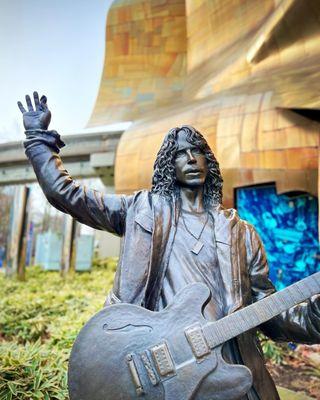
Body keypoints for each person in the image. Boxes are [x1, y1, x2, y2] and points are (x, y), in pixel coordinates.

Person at [18, 92, 320, 400]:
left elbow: (270, 315)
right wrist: (38, 140)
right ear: (168, 165)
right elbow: (67, 195)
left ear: (209, 161)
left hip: (231, 377)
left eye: (198, 151)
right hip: (162, 378)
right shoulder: (141, 211)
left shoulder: (243, 235)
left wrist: (316, 314)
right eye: (180, 153)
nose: (191, 158)